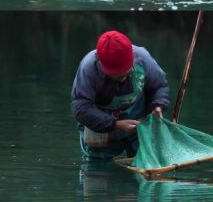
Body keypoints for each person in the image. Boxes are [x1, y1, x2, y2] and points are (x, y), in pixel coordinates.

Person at [71, 30, 170, 160]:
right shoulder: (88, 68)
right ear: (102, 64)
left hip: (138, 122)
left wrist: (158, 105)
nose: (122, 79)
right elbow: (81, 108)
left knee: (146, 159)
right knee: (98, 165)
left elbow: (159, 86)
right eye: (116, 75)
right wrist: (115, 124)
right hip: (101, 125)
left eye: (126, 73)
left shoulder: (143, 58)